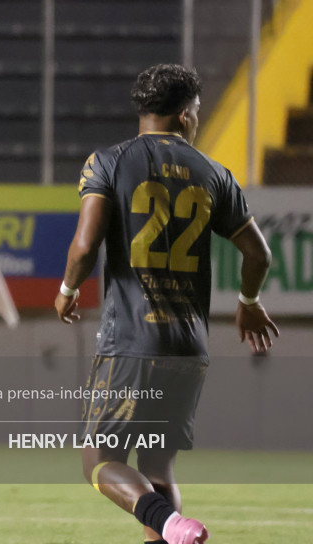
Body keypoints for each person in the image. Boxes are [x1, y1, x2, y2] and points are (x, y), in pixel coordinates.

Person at [54, 64, 279, 544]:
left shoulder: (109, 162)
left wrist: (68, 290)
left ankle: (172, 525)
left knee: (98, 461)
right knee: (157, 464)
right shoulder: (214, 173)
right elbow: (259, 254)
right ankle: (171, 528)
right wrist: (249, 300)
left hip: (132, 341)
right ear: (184, 115)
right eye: (197, 111)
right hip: (189, 348)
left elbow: (85, 245)